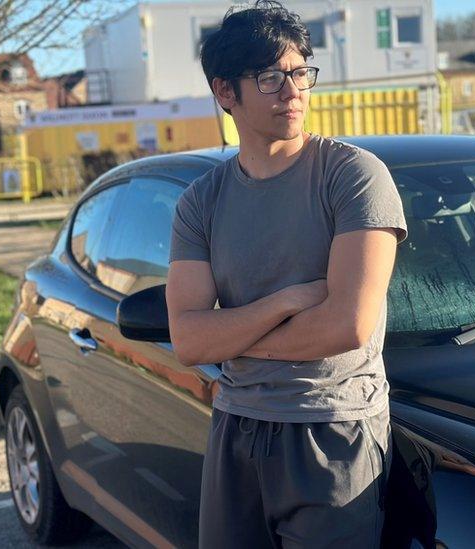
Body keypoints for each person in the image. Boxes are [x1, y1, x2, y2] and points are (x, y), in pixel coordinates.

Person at [165, 2, 408, 547]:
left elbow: (345, 327)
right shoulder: (201, 202)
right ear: (225, 92)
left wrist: (232, 335)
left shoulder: (353, 177)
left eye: (301, 74)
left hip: (332, 430)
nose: (292, 91)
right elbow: (187, 339)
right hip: (236, 426)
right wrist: (286, 301)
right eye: (271, 77)